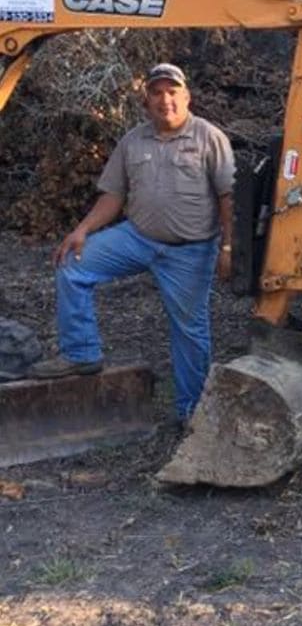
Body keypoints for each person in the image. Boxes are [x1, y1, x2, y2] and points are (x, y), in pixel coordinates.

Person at [29, 63, 235, 424]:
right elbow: (113, 195)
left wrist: (228, 248)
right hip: (137, 237)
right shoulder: (133, 141)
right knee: (73, 264)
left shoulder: (209, 138)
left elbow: (228, 198)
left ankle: (193, 413)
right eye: (156, 92)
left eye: (172, 92)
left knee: (190, 330)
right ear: (146, 101)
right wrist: (82, 230)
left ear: (186, 96)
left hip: (190, 250)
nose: (165, 99)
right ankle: (81, 353)